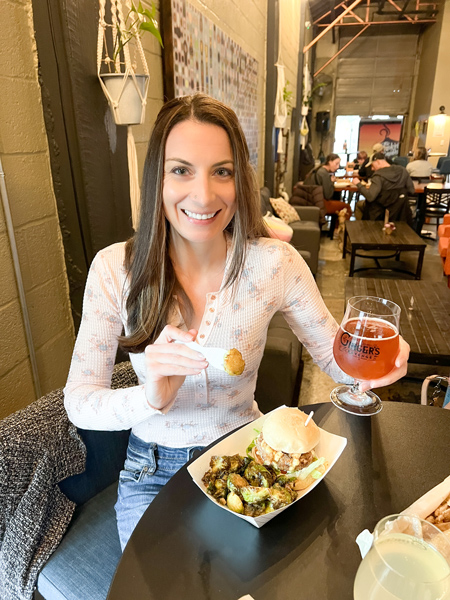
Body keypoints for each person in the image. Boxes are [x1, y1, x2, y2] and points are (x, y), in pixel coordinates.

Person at [63, 94, 409, 550]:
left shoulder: (274, 264)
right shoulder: (115, 270)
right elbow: (80, 402)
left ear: (238, 178)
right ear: (157, 179)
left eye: (221, 171)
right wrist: (148, 399)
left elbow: (334, 357)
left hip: (252, 453)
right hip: (153, 471)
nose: (204, 195)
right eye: (181, 169)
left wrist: (376, 366)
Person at [353, 152, 415, 223]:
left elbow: (370, 197)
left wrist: (358, 184)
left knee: (359, 205)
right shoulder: (403, 170)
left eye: (372, 165)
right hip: (400, 212)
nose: (372, 169)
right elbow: (411, 190)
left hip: (379, 213)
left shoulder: (378, 176)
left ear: (378, 162)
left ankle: (362, 229)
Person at [304, 153, 352, 219]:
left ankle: (334, 227)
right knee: (346, 207)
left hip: (310, 199)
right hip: (318, 203)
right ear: (330, 162)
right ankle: (338, 228)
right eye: (336, 164)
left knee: (337, 200)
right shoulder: (324, 174)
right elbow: (328, 195)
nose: (338, 167)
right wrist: (331, 182)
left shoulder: (319, 169)